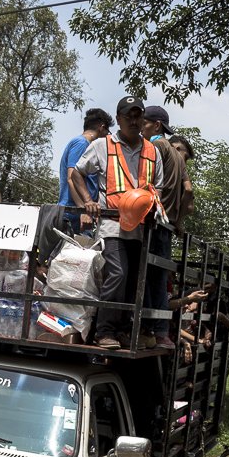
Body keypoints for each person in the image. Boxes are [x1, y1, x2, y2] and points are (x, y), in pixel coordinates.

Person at [71, 95, 164, 350]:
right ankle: (105, 331)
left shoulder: (152, 151)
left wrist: (154, 204)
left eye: (138, 116)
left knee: (134, 280)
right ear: (120, 119)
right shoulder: (103, 146)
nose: (134, 121)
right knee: (118, 273)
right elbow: (77, 173)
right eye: (128, 116)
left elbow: (159, 187)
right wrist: (87, 201)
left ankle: (123, 329)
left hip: (141, 228)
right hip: (112, 225)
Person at [139, 105, 188, 350]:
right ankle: (160, 331)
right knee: (158, 277)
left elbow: (145, 181)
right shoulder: (179, 157)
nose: (140, 127)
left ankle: (147, 329)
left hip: (155, 221)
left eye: (144, 123)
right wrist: (178, 221)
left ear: (156, 125)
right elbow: (188, 190)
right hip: (167, 224)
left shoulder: (155, 147)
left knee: (145, 276)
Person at [58, 108, 113, 235]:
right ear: (101, 127)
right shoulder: (82, 143)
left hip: (82, 215)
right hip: (74, 216)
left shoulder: (86, 146)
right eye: (107, 132)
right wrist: (83, 210)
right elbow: (71, 178)